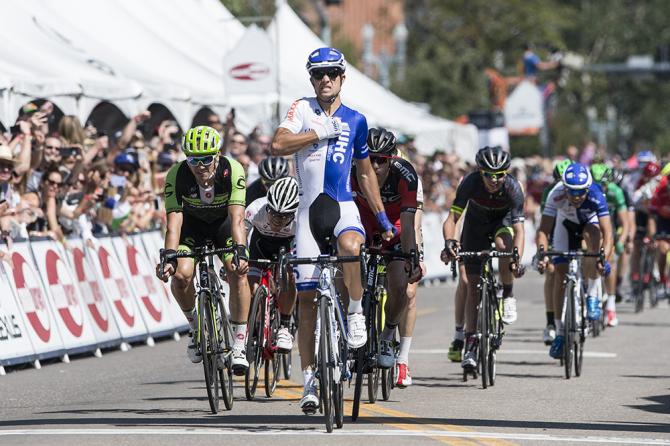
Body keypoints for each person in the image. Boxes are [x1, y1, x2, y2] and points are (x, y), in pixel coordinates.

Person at [270, 47, 394, 414]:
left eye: (332, 73)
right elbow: (278, 144)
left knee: (352, 246)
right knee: (307, 301)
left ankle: (355, 310)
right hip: (308, 211)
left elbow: (367, 172)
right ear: (312, 79)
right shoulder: (302, 109)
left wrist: (383, 218)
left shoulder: (356, 119)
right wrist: (314, 133)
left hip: (342, 205)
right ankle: (309, 380)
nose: (325, 79)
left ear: (342, 78)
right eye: (318, 73)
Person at [155, 126, 251, 375]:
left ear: (217, 155)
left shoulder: (233, 170)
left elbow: (238, 218)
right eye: (193, 159)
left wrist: (240, 249)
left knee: (237, 270)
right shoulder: (176, 175)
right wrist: (169, 256)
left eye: (206, 158)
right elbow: (173, 222)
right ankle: (195, 326)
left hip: (224, 226)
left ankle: (239, 343)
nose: (200, 165)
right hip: (191, 228)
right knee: (180, 275)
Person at [441, 146, 525, 371]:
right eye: (489, 174)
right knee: (473, 287)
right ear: (481, 173)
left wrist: (516, 258)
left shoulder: (513, 188)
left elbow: (520, 230)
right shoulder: (470, 183)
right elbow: (452, 218)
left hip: (501, 223)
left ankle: (507, 294)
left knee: (504, 247)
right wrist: (449, 242)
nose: (495, 180)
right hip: (475, 226)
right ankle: (470, 342)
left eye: (500, 175)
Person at [351, 128, 422, 383]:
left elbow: (409, 219)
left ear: (392, 158)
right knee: (346, 262)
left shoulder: (406, 174)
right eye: (370, 158)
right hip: (362, 221)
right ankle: (350, 320)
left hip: (395, 224)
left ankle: (387, 333)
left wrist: (412, 255)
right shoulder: (352, 172)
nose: (376, 165)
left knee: (400, 284)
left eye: (382, 160)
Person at [535, 163, 613, 359]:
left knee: (593, 241)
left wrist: (604, 258)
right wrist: (543, 254)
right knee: (559, 274)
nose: (576, 196)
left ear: (587, 188)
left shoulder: (596, 194)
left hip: (589, 224)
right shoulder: (556, 194)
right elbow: (544, 231)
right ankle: (560, 332)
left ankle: (593, 294)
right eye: (572, 191)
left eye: (580, 192)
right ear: (564, 187)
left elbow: (608, 233)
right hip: (565, 225)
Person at [245, 177, 299, 353]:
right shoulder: (255, 209)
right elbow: (239, 236)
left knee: (291, 277)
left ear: (293, 213)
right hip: (260, 245)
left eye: (283, 217)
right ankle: (252, 326)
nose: (277, 220)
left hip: (288, 246)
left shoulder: (302, 216)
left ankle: (284, 326)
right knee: (251, 286)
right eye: (273, 213)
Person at [538, 159, 572, 344]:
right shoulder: (551, 193)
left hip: (576, 228)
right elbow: (546, 225)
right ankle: (551, 323)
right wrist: (545, 251)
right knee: (552, 272)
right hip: (556, 229)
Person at [591, 163, 628, 326]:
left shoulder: (615, 191)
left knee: (610, 260)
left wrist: (620, 241)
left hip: (609, 225)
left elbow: (625, 222)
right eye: (596, 184)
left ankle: (611, 306)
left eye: (604, 184)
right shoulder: (586, 192)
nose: (601, 188)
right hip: (591, 225)